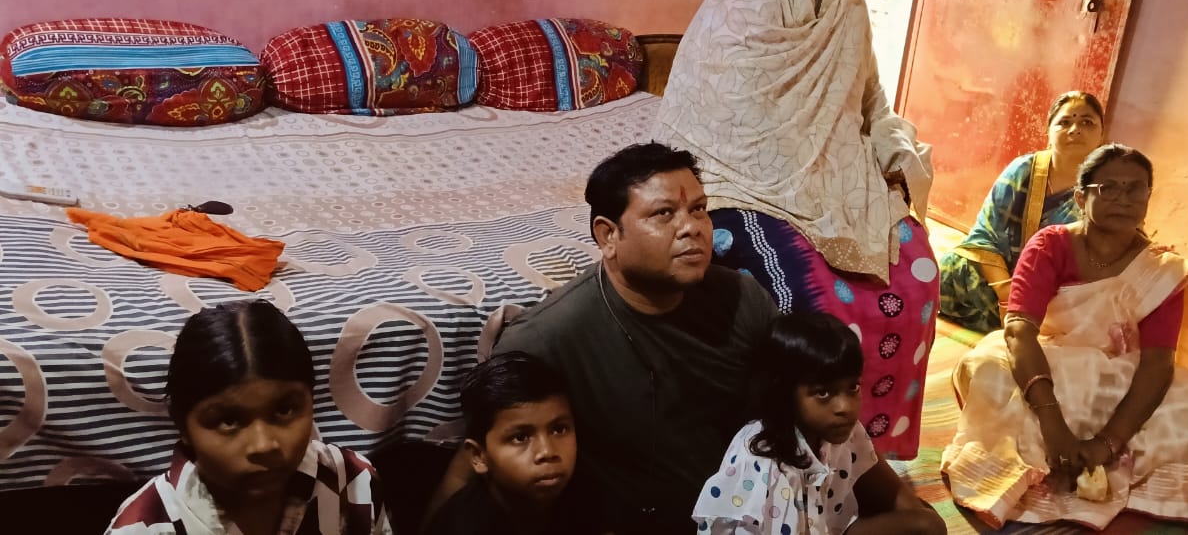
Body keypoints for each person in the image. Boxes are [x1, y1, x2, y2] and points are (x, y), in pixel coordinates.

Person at [652, 0, 937, 460]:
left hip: (837, 173)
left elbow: (870, 99)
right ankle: (792, 449)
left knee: (919, 275)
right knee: (807, 299)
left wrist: (891, 153)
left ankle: (865, 454)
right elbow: (737, 117)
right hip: (741, 178)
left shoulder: (849, 0)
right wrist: (810, 183)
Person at [426, 142, 779, 534]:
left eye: (698, 209)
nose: (692, 227)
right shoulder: (546, 338)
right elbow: (481, 456)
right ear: (608, 236)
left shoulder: (744, 302)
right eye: (664, 214)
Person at [940, 145, 1188, 532]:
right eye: (1109, 188)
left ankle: (1100, 459)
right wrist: (1052, 422)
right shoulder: (1050, 246)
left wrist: (1108, 442)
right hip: (1051, 365)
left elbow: (1157, 364)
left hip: (1120, 377)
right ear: (1080, 197)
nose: (1123, 198)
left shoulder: (1161, 269)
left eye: (1136, 189)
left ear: (1148, 198)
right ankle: (1051, 455)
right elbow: (1019, 330)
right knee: (986, 368)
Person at [106, 300, 392, 535]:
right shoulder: (144, 527)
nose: (264, 445)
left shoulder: (353, 483)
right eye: (228, 421)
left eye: (284, 410)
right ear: (182, 425)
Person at [693, 313, 945, 535]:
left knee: (928, 522)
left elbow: (899, 498)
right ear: (784, 393)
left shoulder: (841, 430)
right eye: (823, 393)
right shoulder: (765, 463)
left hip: (829, 528)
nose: (844, 407)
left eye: (853, 387)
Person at [938, 91, 1105, 333]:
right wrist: (1007, 292)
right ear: (1048, 132)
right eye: (1065, 122)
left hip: (1055, 292)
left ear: (1101, 134)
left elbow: (1109, 249)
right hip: (999, 277)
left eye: (1087, 122)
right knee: (950, 270)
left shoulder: (1105, 188)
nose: (1075, 129)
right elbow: (985, 234)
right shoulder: (1023, 170)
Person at [424, 352, 578, 535]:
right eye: (520, 437)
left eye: (559, 430)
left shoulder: (586, 497)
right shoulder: (465, 526)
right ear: (478, 456)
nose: (547, 451)